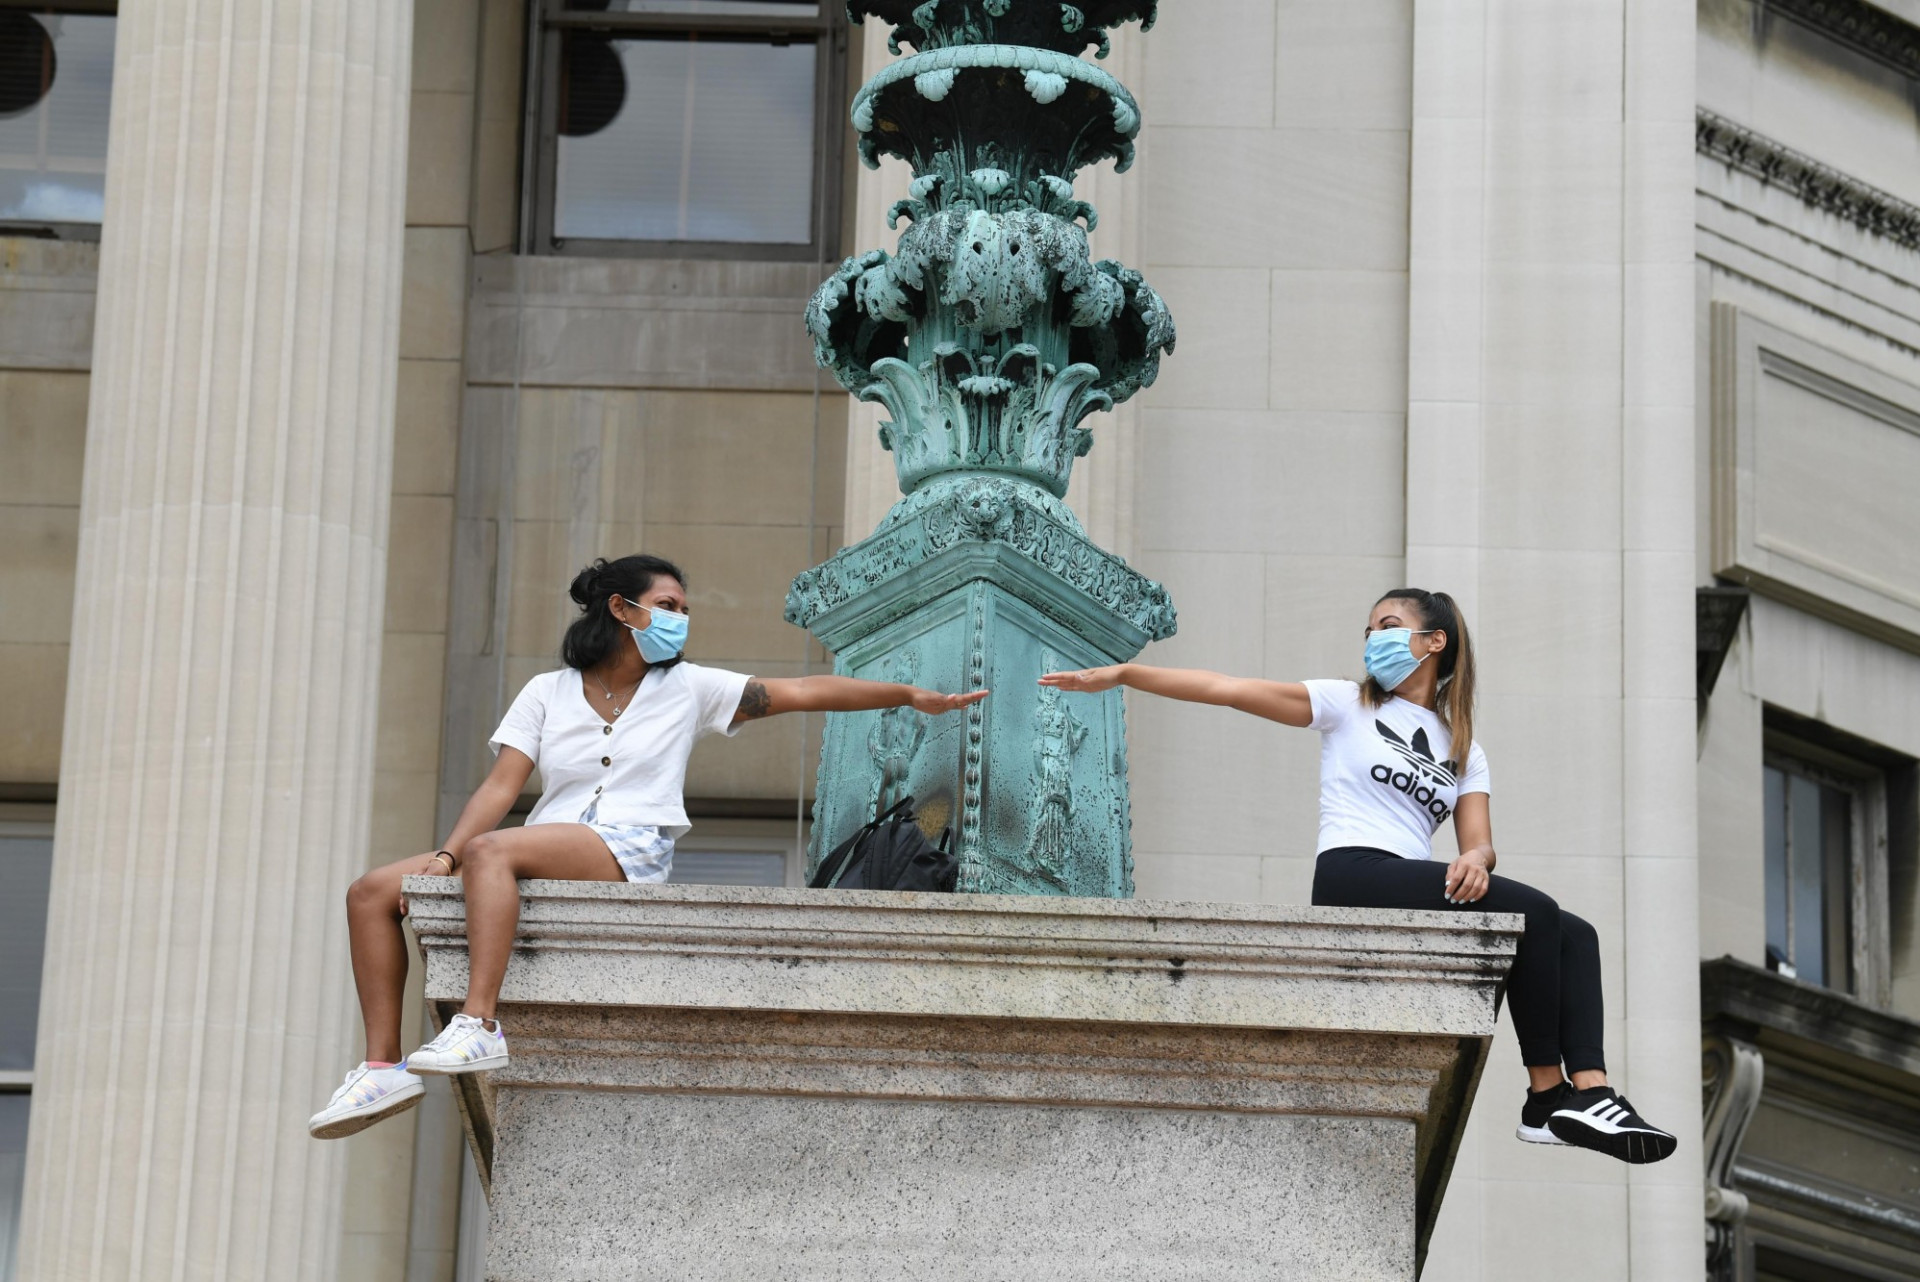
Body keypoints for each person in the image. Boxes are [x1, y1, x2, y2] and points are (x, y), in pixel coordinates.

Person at [309, 554, 987, 1140]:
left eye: (685, 609)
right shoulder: (547, 693)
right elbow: (499, 787)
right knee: (371, 892)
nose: (681, 619)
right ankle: (382, 1069)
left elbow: (803, 691)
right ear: (622, 609)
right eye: (668, 605)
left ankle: (480, 1023)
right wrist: (446, 855)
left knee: (494, 851)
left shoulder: (689, 688)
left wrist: (906, 694)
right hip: (544, 841)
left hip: (625, 848)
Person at [1038, 587, 1677, 1165]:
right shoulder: (1346, 703)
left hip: (1413, 878)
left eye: (1389, 625)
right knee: (1535, 913)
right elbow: (1225, 687)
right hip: (1352, 873)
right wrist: (1125, 675)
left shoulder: (1462, 746)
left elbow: (1480, 844)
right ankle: (1548, 1096)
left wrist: (1473, 861)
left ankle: (1590, 1092)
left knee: (1576, 933)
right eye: (1369, 629)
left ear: (1434, 642)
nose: (1373, 639)